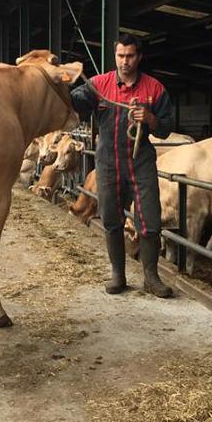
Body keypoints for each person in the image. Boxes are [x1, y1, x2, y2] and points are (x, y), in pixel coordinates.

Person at [70, 33, 174, 298]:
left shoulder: (154, 89)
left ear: (139, 57)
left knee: (150, 219)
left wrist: (150, 118)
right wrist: (62, 80)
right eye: (120, 56)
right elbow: (74, 101)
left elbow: (165, 129)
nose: (124, 61)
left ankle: (151, 276)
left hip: (141, 162)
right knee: (112, 219)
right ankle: (118, 274)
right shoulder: (98, 84)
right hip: (107, 162)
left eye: (130, 56)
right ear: (115, 56)